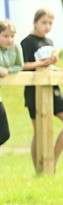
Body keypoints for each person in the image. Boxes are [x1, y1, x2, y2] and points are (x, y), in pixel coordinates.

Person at [20, 9, 63, 167]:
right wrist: (43, 64)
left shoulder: (49, 42)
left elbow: (50, 67)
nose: (47, 26)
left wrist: (61, 70)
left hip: (53, 90)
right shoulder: (26, 42)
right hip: (34, 92)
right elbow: (21, 66)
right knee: (39, 133)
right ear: (35, 23)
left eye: (50, 23)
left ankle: (52, 160)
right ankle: (39, 169)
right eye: (44, 23)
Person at [0, 19, 24, 148]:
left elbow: (19, 65)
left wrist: (7, 71)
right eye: (5, 36)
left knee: (4, 134)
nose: (9, 40)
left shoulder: (15, 47)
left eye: (12, 36)